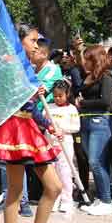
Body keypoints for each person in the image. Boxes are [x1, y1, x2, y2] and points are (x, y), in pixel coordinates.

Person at [0, 24, 64, 223]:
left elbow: (32, 107)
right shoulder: (8, 64)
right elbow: (6, 99)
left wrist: (48, 125)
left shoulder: (26, 66)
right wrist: (31, 91)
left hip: (29, 128)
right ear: (18, 41)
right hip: (13, 129)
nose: (36, 44)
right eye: (32, 40)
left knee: (54, 186)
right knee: (16, 191)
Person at [78, 45, 112, 215]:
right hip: (85, 121)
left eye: (87, 59)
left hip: (100, 121)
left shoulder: (107, 77)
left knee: (97, 161)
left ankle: (107, 201)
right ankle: (101, 198)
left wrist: (83, 103)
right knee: (93, 161)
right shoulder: (89, 77)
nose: (84, 62)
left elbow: (106, 101)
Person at [46, 80, 80, 213]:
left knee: (65, 171)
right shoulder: (48, 107)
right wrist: (50, 129)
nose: (58, 98)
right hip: (50, 143)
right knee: (52, 172)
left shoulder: (71, 109)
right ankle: (54, 198)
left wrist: (62, 130)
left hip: (65, 143)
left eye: (60, 95)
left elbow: (76, 127)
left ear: (67, 94)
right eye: (55, 96)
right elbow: (44, 123)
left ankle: (67, 200)